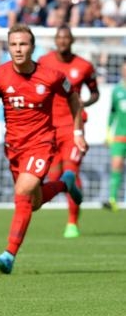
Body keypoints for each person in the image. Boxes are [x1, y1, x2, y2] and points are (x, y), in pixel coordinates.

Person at [0, 24, 86, 274]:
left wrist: (78, 131)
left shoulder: (52, 76)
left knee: (23, 190)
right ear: (9, 47)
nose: (18, 49)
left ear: (33, 47)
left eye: (23, 44)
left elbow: (73, 99)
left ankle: (9, 254)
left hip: (42, 143)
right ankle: (65, 183)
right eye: (14, 44)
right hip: (14, 148)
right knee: (33, 202)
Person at [38, 25, 100, 238]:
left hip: (74, 126)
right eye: (59, 38)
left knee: (71, 170)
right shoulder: (44, 62)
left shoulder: (84, 66)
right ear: (56, 40)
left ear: (71, 40)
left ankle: (72, 223)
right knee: (55, 175)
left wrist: (83, 103)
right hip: (49, 127)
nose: (63, 41)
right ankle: (68, 187)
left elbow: (95, 93)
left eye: (66, 38)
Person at [103, 63, 126, 212]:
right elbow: (112, 112)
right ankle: (112, 199)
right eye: (123, 68)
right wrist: (107, 131)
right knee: (116, 165)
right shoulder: (117, 90)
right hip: (120, 135)